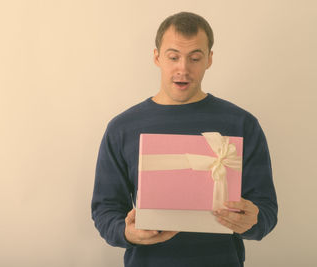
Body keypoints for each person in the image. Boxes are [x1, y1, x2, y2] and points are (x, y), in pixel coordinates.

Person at [91, 11, 277, 267]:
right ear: (156, 57)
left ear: (209, 59)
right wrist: (126, 232)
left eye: (195, 58)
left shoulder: (242, 124)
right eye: (173, 57)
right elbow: (105, 209)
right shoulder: (122, 128)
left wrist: (253, 221)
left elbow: (266, 211)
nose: (183, 68)